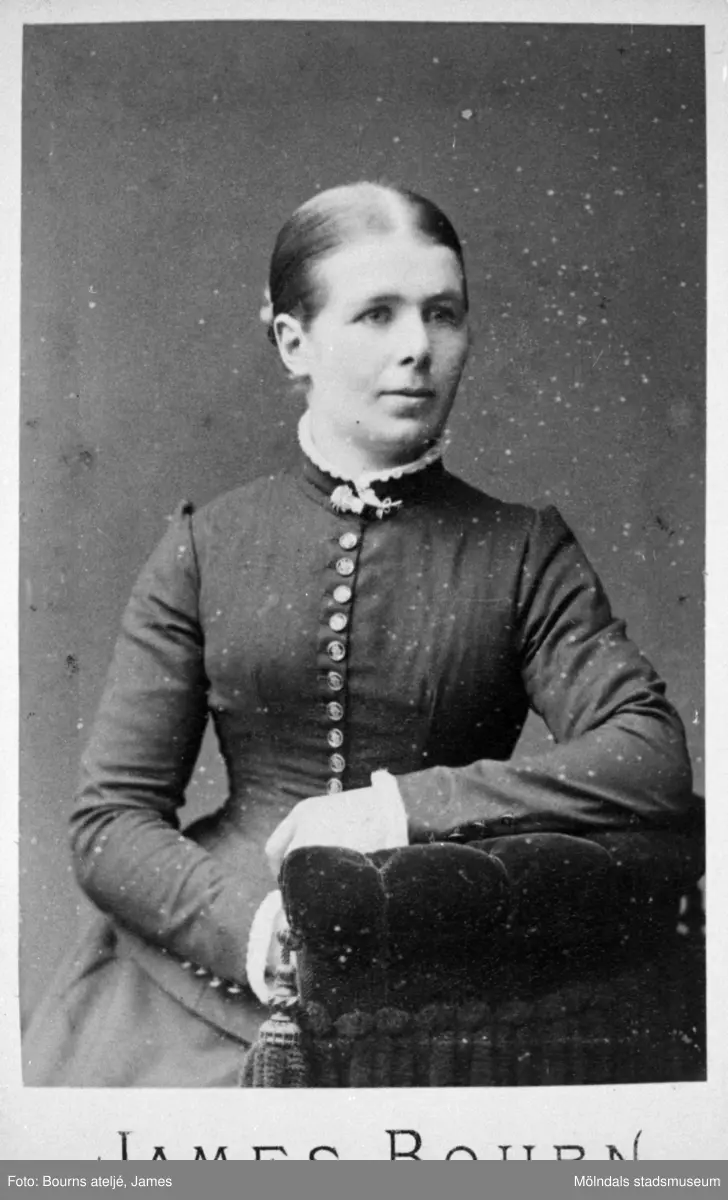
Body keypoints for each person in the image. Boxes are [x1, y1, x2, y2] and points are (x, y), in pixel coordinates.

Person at [22, 181, 694, 1087]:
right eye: (377, 314)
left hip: (451, 983)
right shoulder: (204, 548)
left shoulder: (522, 551)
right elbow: (110, 822)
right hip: (209, 987)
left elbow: (648, 756)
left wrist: (398, 810)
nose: (417, 346)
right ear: (293, 343)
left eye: (442, 313)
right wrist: (254, 930)